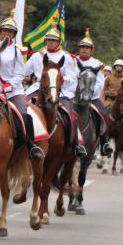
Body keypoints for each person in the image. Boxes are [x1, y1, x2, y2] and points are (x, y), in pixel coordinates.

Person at [24, 25, 83, 157]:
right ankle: (23, 141)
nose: (50, 42)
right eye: (49, 40)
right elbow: (24, 71)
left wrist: (59, 80)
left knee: (69, 115)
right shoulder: (37, 56)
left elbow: (73, 77)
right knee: (22, 109)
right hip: (39, 88)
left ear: (59, 42)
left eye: (54, 40)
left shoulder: (67, 57)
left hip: (60, 90)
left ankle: (76, 144)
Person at [0, 13, 44, 161]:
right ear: (0, 32)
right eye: (5, 31)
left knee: (23, 113)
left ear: (14, 34)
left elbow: (20, 73)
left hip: (13, 90)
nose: (7, 34)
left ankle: (30, 145)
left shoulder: (17, 51)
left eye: (11, 32)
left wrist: (8, 86)